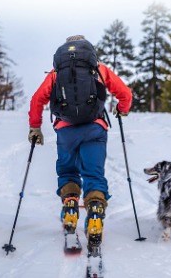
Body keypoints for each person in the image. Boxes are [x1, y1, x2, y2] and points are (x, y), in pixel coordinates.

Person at [28, 35, 132, 250]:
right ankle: (94, 213)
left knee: (68, 171)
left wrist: (35, 127)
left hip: (65, 131)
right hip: (95, 128)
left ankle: (70, 208)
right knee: (93, 174)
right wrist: (122, 109)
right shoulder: (99, 69)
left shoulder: (56, 73)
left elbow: (37, 99)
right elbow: (125, 93)